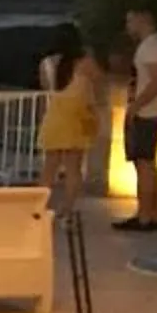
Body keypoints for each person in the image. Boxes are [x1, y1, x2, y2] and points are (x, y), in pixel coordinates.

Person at [114, 8, 157, 231]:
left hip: (147, 113)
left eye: (130, 21)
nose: (128, 26)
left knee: (143, 164)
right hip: (153, 111)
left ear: (142, 20)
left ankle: (144, 215)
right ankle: (154, 213)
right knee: (149, 162)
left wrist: (136, 106)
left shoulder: (150, 47)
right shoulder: (156, 45)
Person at [35, 21, 101, 214]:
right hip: (76, 119)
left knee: (49, 169)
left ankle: (38, 207)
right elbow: (98, 83)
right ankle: (67, 208)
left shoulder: (46, 64)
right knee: (73, 168)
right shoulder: (85, 62)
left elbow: (46, 88)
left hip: (54, 118)